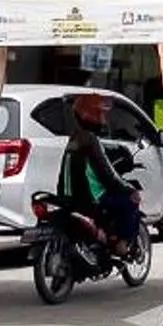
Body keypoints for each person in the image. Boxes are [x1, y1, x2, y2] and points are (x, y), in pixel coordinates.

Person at [58, 97, 147, 260]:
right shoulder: (91, 140)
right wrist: (128, 188)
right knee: (131, 200)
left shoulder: (75, 138)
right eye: (101, 114)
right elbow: (107, 174)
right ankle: (120, 244)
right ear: (93, 115)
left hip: (68, 197)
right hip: (91, 198)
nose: (104, 119)